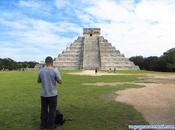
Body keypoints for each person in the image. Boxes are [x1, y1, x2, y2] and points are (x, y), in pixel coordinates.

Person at [37, 56, 63, 130]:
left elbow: (38, 81)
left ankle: (43, 125)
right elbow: (60, 82)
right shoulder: (55, 70)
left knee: (43, 110)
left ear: (45, 62)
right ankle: (50, 126)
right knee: (52, 110)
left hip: (43, 94)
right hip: (52, 94)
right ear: (52, 62)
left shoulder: (41, 71)